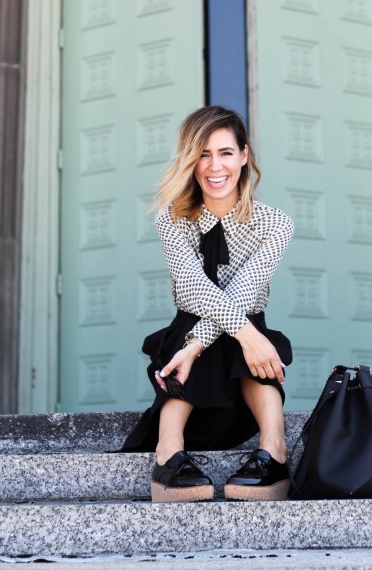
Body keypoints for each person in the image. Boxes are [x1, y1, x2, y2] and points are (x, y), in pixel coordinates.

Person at [122, 105, 294, 503]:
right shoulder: (172, 219)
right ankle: (169, 453)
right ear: (189, 161)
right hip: (192, 364)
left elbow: (243, 292)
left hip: (237, 373)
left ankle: (274, 450)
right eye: (202, 154)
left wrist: (217, 341)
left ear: (245, 156)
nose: (214, 166)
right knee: (202, 333)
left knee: (244, 336)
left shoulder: (275, 223)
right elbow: (194, 288)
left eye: (225, 153)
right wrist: (220, 339)